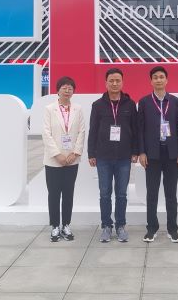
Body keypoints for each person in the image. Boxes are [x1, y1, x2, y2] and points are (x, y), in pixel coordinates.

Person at [87, 68, 139, 243]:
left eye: (118, 80)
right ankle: (106, 226)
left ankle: (120, 226)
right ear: (106, 83)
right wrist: (91, 153)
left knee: (122, 194)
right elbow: (93, 130)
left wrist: (135, 151)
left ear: (122, 82)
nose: (115, 83)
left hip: (124, 157)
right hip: (103, 157)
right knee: (104, 193)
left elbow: (135, 130)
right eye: (111, 80)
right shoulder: (97, 105)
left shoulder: (130, 104)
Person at [138, 66, 178, 243]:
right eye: (155, 77)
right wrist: (142, 151)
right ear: (151, 81)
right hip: (152, 154)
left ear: (166, 80)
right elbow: (140, 129)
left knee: (171, 194)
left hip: (172, 154)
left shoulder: (175, 101)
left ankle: (173, 229)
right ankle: (151, 228)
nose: (158, 80)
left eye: (161, 77)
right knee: (152, 194)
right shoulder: (144, 102)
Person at [43, 76, 85, 242]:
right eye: (64, 88)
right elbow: (46, 133)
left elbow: (81, 132)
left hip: (72, 159)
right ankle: (55, 226)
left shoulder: (78, 109)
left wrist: (75, 153)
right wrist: (57, 155)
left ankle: (66, 225)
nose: (67, 91)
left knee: (68, 193)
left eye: (70, 88)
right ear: (58, 90)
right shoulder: (49, 109)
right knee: (54, 193)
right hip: (54, 160)